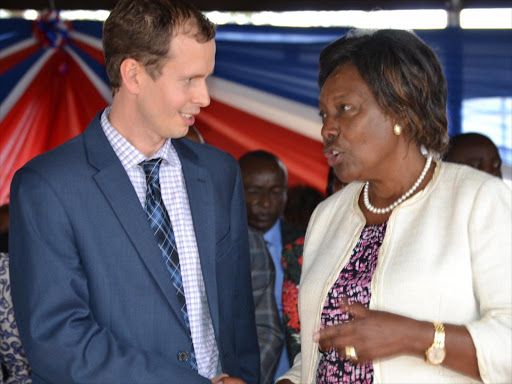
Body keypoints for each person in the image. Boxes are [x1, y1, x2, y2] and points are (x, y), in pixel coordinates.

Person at [9, 1, 259, 383]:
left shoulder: (220, 171)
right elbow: (58, 341)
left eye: (206, 78)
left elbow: (238, 315)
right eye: (189, 79)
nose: (205, 97)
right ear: (134, 75)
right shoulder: (47, 186)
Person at [278, 28, 511, 384]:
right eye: (323, 114)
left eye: (345, 109)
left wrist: (414, 337)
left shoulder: (478, 200)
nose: (327, 128)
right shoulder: (328, 215)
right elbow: (320, 356)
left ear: (401, 109)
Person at [239, 150, 305, 383]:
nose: (266, 203)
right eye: (255, 192)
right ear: (235, 190)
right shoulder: (221, 246)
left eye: (276, 192)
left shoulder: (307, 245)